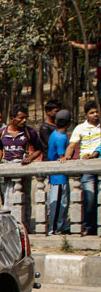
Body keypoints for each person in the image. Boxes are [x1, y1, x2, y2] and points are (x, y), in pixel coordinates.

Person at [62, 100, 101, 236]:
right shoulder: (80, 128)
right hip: (87, 167)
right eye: (92, 113)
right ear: (86, 115)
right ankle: (89, 227)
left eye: (97, 112)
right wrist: (66, 156)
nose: (95, 115)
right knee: (89, 199)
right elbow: (72, 145)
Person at [47, 110, 72, 235]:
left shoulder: (54, 134)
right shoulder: (62, 138)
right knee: (59, 203)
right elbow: (62, 156)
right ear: (69, 124)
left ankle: (58, 226)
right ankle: (55, 228)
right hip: (59, 176)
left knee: (59, 202)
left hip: (56, 175)